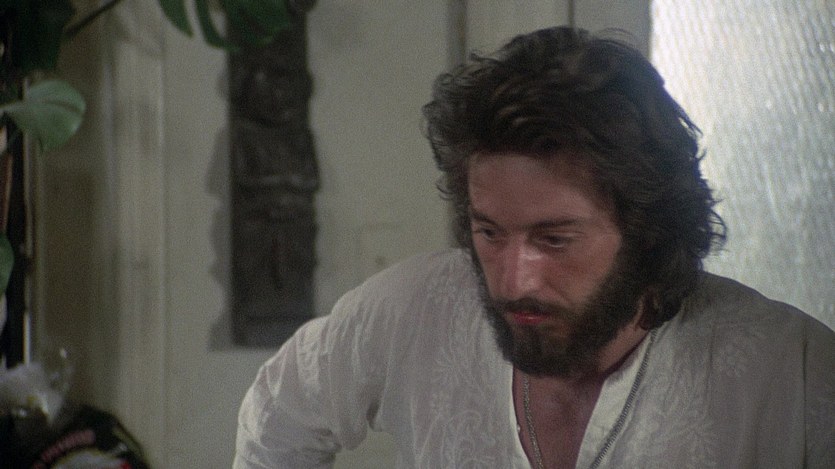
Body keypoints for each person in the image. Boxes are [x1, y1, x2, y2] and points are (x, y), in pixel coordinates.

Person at [234, 26, 835, 468]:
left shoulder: (791, 370)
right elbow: (278, 414)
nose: (512, 280)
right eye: (489, 232)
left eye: (554, 239)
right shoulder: (414, 309)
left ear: (647, 230)